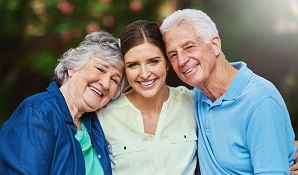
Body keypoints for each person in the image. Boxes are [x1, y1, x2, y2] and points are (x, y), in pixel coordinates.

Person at [160, 9, 297, 174]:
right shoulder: (193, 98)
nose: (181, 60)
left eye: (189, 47)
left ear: (215, 45)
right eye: (173, 55)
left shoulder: (260, 101)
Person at [0, 31, 126, 175]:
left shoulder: (97, 125)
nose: (105, 84)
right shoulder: (37, 114)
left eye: (114, 80)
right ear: (72, 67)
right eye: (100, 69)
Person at [97, 20, 198, 174]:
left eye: (153, 61)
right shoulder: (104, 116)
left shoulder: (192, 102)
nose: (144, 74)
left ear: (167, 62)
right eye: (133, 65)